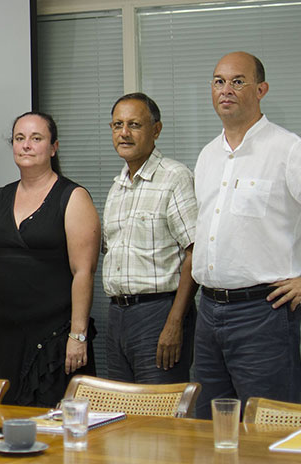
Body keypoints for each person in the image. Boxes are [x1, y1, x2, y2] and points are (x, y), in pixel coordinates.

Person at [192, 52, 301, 418]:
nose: (226, 89)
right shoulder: (208, 156)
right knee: (208, 430)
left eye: (238, 81)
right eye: (219, 81)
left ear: (261, 89)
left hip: (262, 315)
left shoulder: (287, 150)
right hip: (208, 314)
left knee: (268, 429)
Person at [0, 111, 100, 407]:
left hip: (52, 341)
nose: (27, 146)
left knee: (51, 433)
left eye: (36, 138)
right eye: (20, 139)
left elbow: (83, 272)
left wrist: (78, 336)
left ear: (53, 147)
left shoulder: (72, 197)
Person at [102, 93, 198, 384]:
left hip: (159, 313)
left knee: (159, 418)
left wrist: (174, 323)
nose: (124, 133)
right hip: (117, 315)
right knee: (121, 415)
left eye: (134, 125)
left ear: (156, 130)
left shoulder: (175, 177)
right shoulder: (117, 187)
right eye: (117, 125)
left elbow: (196, 253)